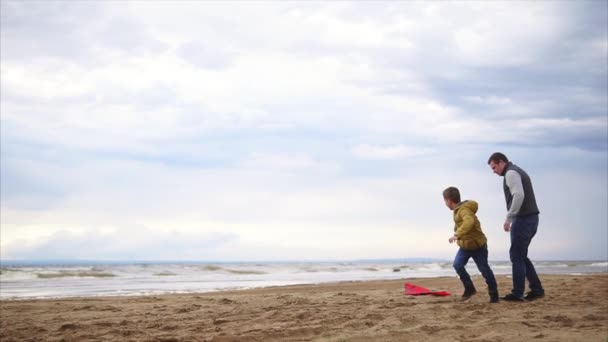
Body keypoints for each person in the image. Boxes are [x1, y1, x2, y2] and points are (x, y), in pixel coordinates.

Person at [487, 152, 545, 302]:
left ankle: (518, 293)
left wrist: (509, 217)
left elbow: (519, 195)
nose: (493, 171)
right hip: (530, 218)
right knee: (521, 255)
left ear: (501, 162)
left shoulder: (511, 173)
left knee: (516, 256)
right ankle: (537, 289)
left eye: (494, 167)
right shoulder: (516, 170)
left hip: (524, 219)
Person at [443, 186, 499, 303]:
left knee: (484, 269)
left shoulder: (464, 210)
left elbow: (469, 221)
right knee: (457, 265)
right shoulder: (457, 210)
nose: (445, 203)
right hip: (465, 246)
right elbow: (460, 224)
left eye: (445, 201)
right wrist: (457, 232)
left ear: (449, 200)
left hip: (478, 245)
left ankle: (494, 294)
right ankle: (470, 288)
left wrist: (456, 235)